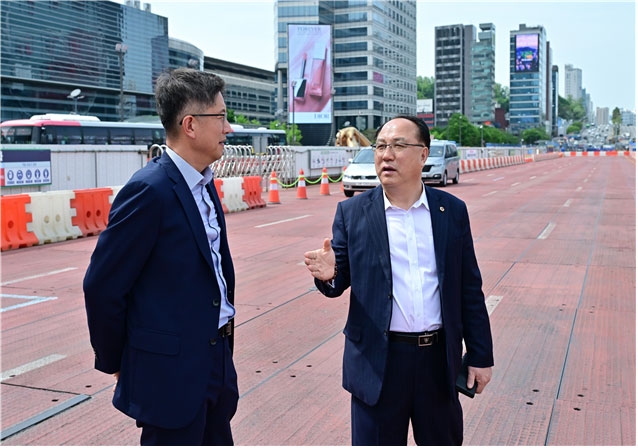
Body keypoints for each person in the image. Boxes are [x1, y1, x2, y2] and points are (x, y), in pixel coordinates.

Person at [304, 115, 494, 445]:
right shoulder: (353, 213)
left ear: (423, 154)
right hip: (378, 362)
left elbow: (469, 288)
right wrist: (329, 274)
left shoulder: (451, 211)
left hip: (437, 362)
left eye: (398, 146)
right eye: (380, 146)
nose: (386, 155)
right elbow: (339, 279)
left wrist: (480, 355)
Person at [84, 68, 238, 445]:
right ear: (190, 125)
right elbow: (102, 286)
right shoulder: (149, 191)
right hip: (169, 377)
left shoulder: (204, 183)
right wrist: (118, 361)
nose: (229, 128)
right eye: (220, 117)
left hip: (215, 361)